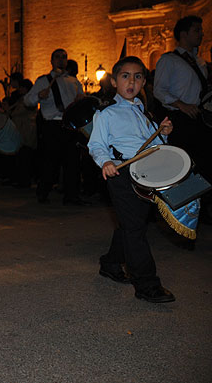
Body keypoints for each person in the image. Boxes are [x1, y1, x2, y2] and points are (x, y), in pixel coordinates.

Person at [88, 56, 175, 303]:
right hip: (121, 173)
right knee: (136, 228)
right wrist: (105, 162)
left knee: (132, 223)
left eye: (138, 77)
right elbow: (96, 144)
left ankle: (111, 262)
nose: (131, 82)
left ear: (144, 82)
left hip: (146, 173)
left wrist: (163, 134)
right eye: (125, 76)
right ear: (114, 81)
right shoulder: (107, 113)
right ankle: (147, 284)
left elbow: (155, 146)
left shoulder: (144, 112)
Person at [153, 15, 211, 223]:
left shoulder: (200, 62)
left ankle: (199, 210)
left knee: (203, 166)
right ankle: (179, 214)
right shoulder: (169, 60)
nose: (201, 34)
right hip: (180, 119)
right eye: (197, 30)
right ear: (183, 34)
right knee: (183, 167)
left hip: (199, 119)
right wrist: (181, 105)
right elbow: (159, 91)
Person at [24, 48, 87, 205]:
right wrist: (39, 96)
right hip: (52, 125)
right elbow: (27, 100)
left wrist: (81, 99)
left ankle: (71, 195)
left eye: (64, 57)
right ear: (51, 61)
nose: (61, 60)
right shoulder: (43, 81)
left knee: (72, 162)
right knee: (50, 162)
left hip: (70, 126)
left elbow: (81, 101)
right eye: (57, 57)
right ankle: (43, 192)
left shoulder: (74, 81)